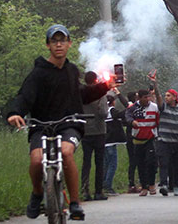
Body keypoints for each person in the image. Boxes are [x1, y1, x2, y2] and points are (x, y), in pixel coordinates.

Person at [6, 24, 112, 221]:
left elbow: (82, 94)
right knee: (37, 160)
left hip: (68, 124)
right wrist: (14, 113)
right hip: (41, 125)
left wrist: (104, 87)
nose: (58, 45)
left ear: (69, 44)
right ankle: (37, 193)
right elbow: (25, 96)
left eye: (62, 40)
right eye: (54, 41)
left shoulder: (71, 71)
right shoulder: (38, 73)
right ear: (47, 45)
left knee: (66, 152)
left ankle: (74, 203)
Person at [153, 80, 178, 197]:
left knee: (176, 164)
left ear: (175, 97)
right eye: (165, 95)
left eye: (169, 95)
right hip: (163, 141)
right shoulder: (163, 108)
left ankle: (175, 186)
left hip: (176, 141)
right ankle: (164, 185)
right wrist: (155, 85)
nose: (166, 97)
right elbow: (158, 96)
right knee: (164, 163)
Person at [80, 71, 108, 202]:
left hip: (85, 131)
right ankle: (98, 191)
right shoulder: (99, 94)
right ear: (96, 81)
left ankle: (84, 191)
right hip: (99, 131)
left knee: (86, 162)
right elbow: (103, 113)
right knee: (99, 162)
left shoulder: (80, 93)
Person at [125, 89, 159, 196]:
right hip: (138, 139)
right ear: (139, 98)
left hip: (151, 138)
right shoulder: (133, 108)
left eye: (148, 97)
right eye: (145, 97)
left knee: (151, 162)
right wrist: (132, 122)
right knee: (140, 163)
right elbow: (128, 116)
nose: (147, 99)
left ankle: (152, 184)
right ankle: (144, 186)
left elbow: (158, 120)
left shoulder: (154, 107)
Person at [103, 88, 128, 195]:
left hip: (104, 142)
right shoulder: (111, 111)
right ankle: (108, 186)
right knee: (112, 165)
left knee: (106, 164)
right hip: (111, 142)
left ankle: (102, 185)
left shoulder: (103, 111)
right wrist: (130, 107)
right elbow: (123, 113)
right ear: (112, 102)